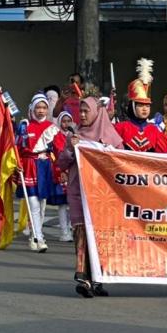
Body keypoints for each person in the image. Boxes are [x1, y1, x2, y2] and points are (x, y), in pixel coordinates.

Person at [55, 95, 123, 298]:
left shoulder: (111, 138)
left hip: (102, 194)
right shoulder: (74, 136)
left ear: (95, 112)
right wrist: (70, 149)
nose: (82, 115)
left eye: (86, 111)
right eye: (81, 111)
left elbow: (122, 161)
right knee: (81, 232)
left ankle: (98, 279)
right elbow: (62, 163)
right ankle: (83, 277)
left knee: (100, 235)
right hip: (78, 191)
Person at [17, 93, 66, 252]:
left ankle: (34, 234)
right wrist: (16, 164)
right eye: (38, 107)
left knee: (42, 205)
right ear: (32, 108)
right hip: (29, 166)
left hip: (45, 167)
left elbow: (60, 150)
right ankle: (39, 237)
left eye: (44, 107)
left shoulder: (53, 129)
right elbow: (17, 149)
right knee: (33, 204)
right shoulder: (25, 126)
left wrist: (63, 169)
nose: (41, 111)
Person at [114, 60, 167, 153]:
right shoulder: (121, 128)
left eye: (147, 106)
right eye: (140, 105)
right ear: (133, 107)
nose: (145, 109)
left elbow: (163, 154)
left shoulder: (154, 130)